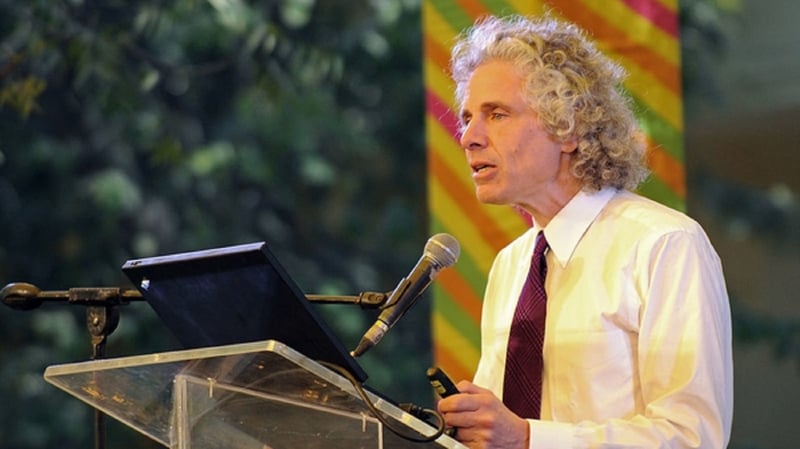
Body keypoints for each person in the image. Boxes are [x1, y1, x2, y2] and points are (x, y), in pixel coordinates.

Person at [436, 14, 733, 449]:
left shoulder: (664, 245)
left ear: (569, 128)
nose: (469, 137)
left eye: (497, 114)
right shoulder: (511, 265)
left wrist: (528, 438)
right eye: (467, 118)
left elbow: (693, 437)